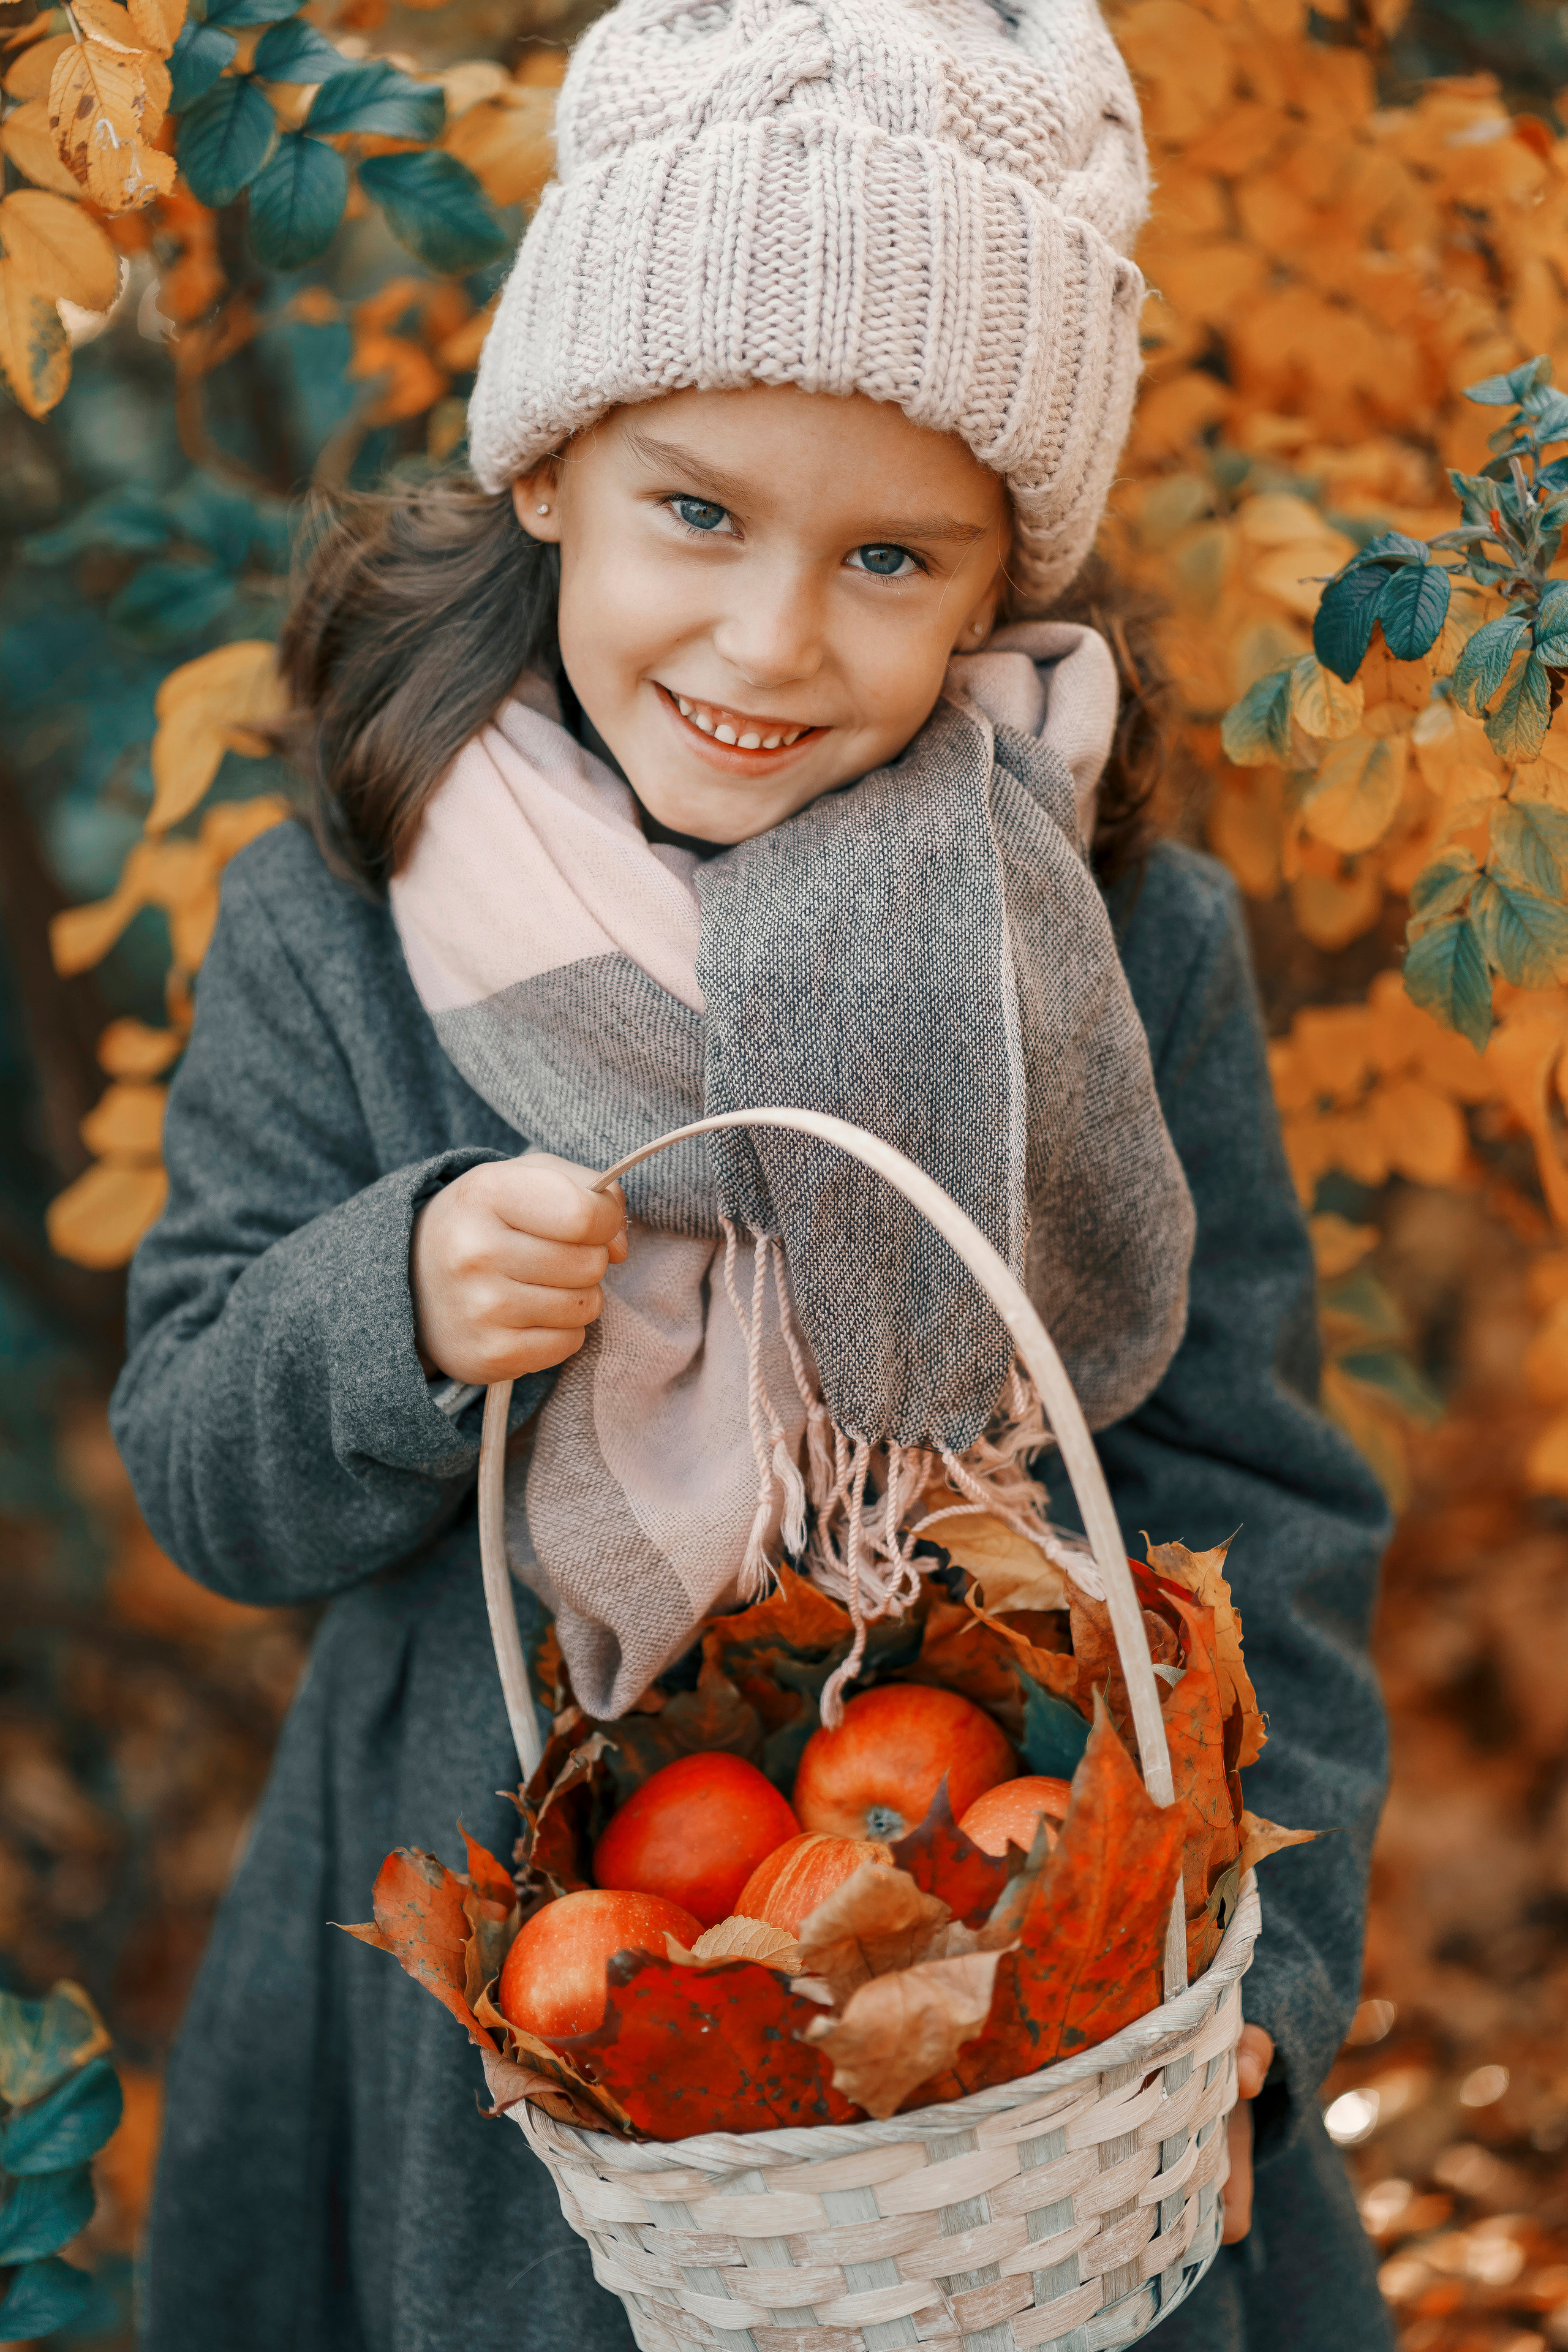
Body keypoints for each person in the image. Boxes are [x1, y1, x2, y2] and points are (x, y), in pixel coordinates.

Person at [110, 0, 1393, 2344]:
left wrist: (1259, 2001)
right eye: (694, 511)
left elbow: (1258, 1505)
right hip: (524, 2042)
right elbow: (205, 1469)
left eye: (892, 557)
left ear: (1004, 581)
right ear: (547, 468)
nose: (773, 637)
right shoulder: (344, 910)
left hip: (1032, 2030)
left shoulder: (1101, 942)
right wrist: (379, 1308)